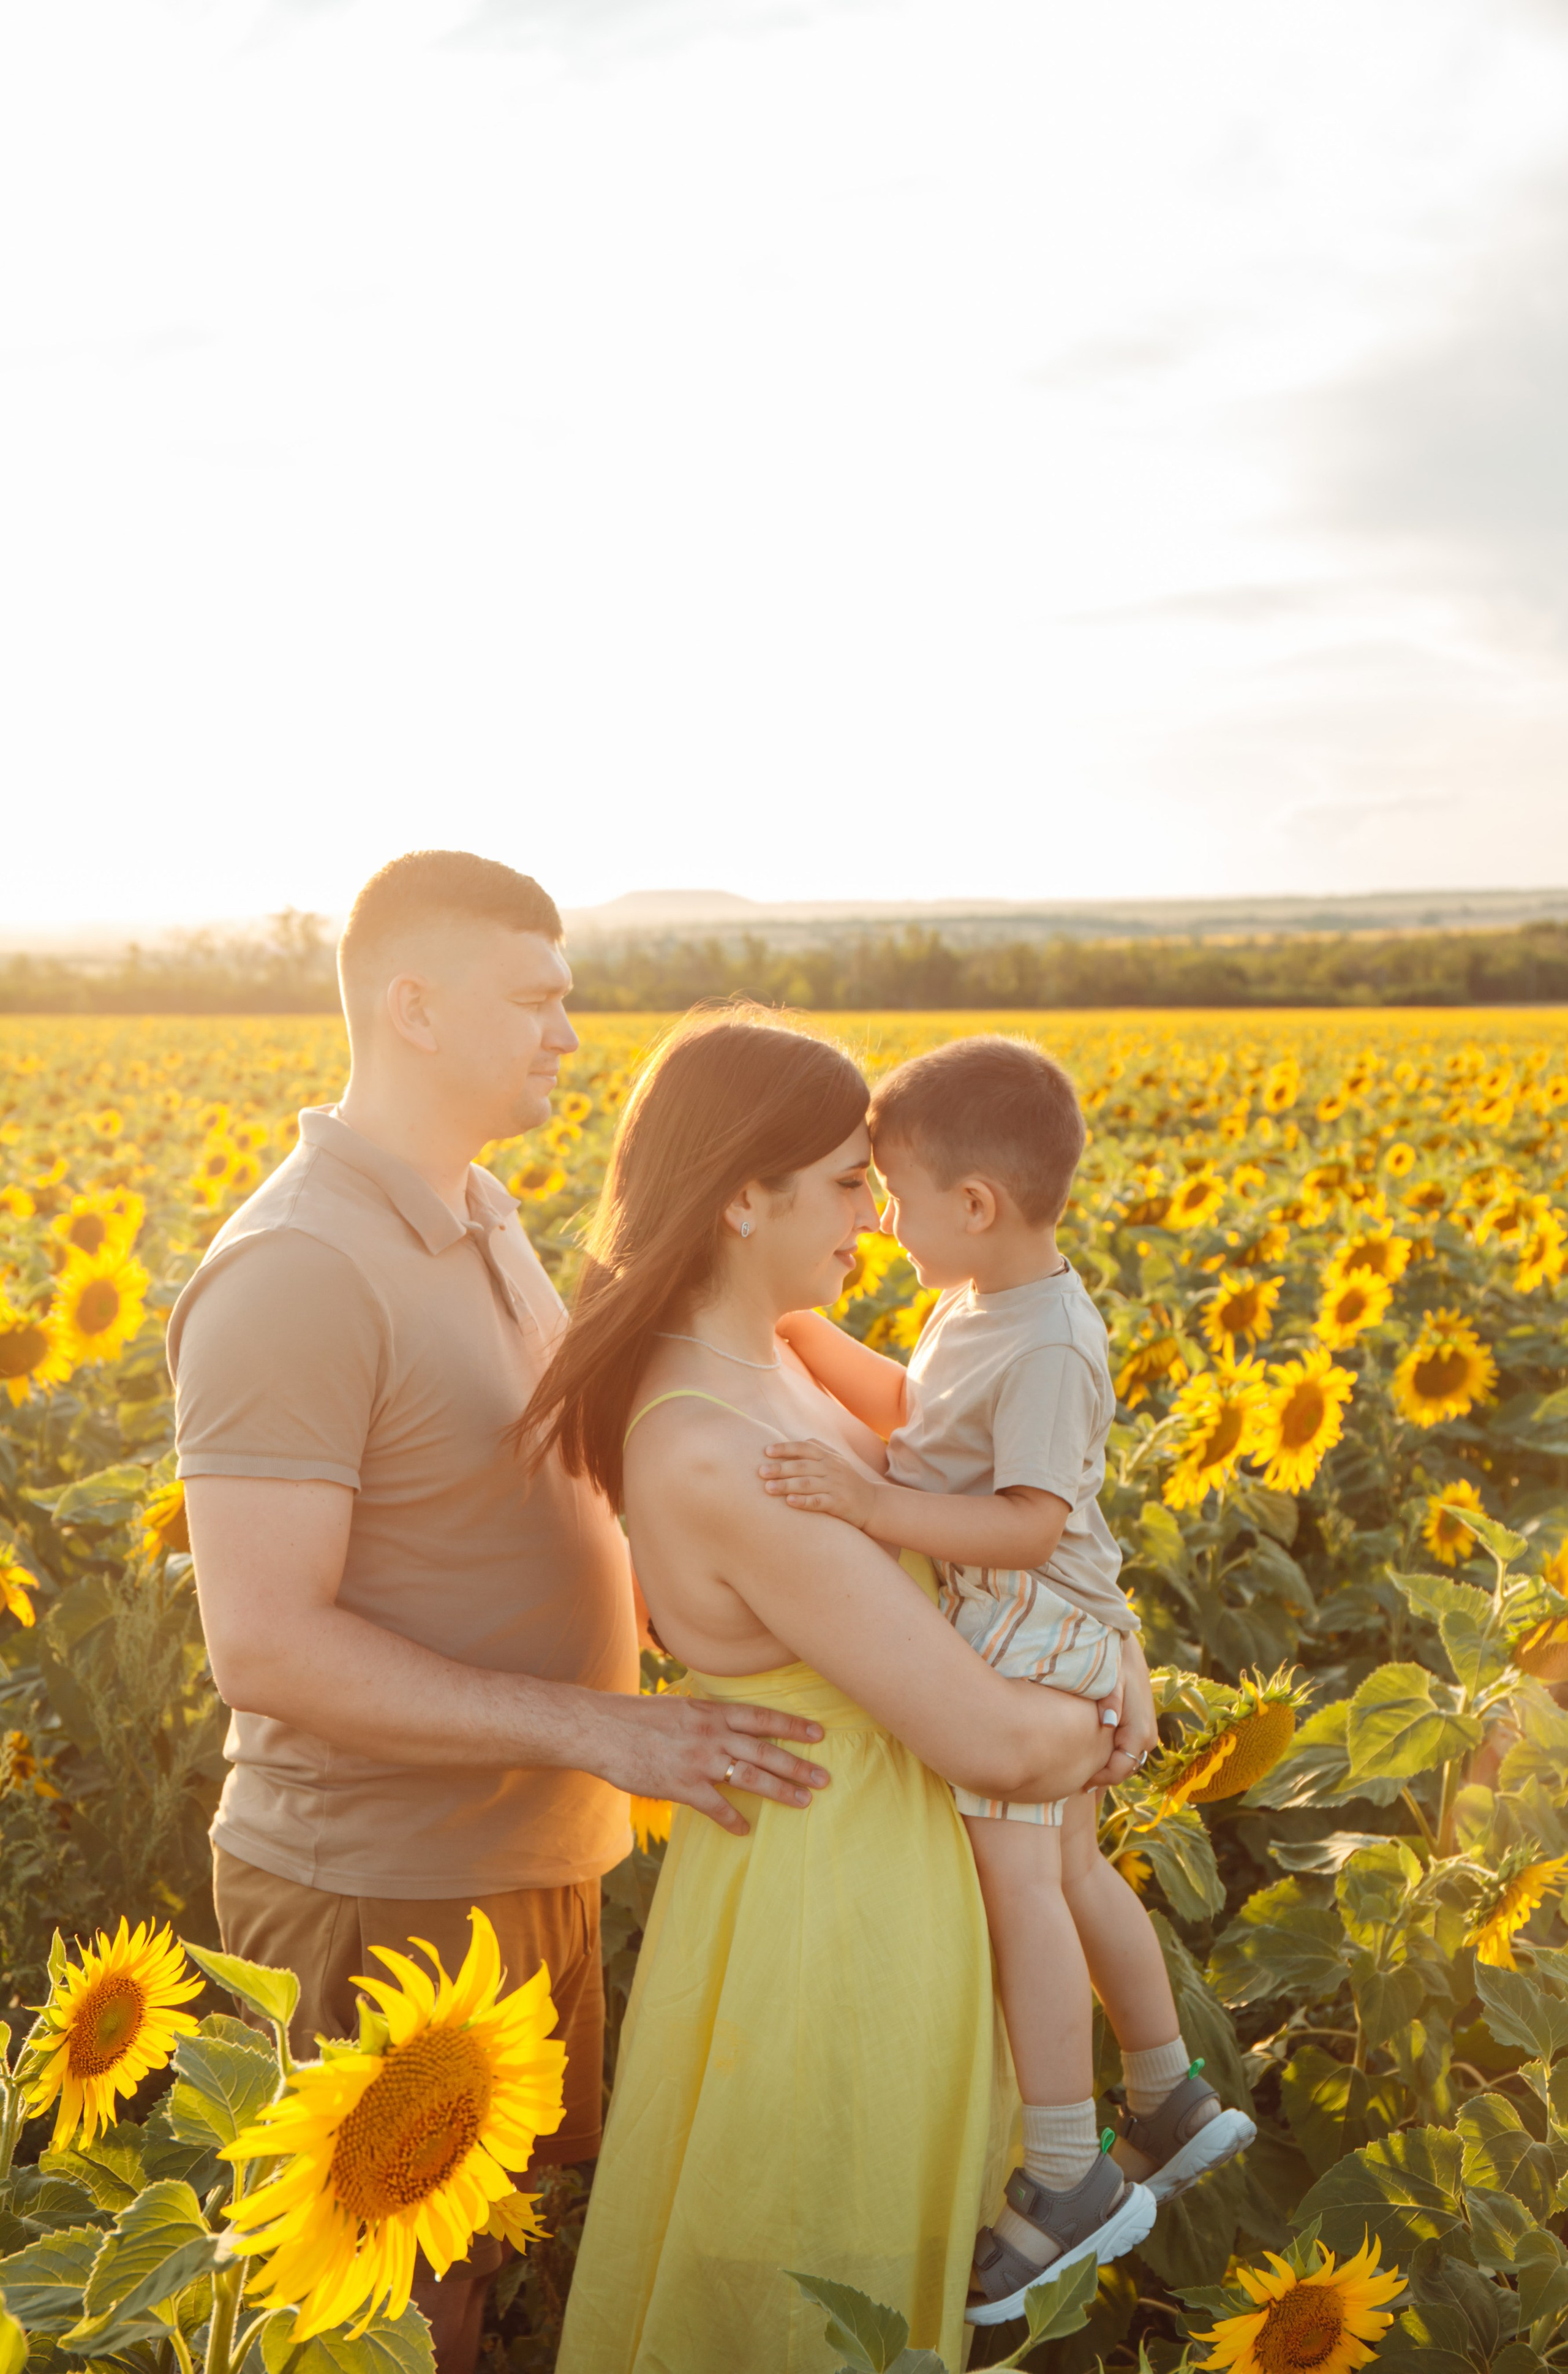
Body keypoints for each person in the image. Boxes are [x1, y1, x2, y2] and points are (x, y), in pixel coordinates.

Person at [169, 853, 832, 2373]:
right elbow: (263, 1642)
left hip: (529, 1845)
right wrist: (602, 1727)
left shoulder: (476, 1210)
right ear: (412, 1007)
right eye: (535, 1000)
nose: (567, 1037)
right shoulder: (295, 1269)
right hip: (385, 1874)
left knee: (475, 2272)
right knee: (377, 2319)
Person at [527, 1009, 1158, 2373]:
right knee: (825, 2294)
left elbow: (1007, 1515)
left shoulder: (783, 1358)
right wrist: (1107, 1708)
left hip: (886, 1876)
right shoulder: (715, 1446)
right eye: (842, 1184)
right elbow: (984, 1731)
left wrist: (1113, 1642)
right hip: (834, 1911)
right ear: (740, 1194)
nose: (873, 1220)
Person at [759, 1036, 1256, 2325]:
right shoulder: (977, 1307)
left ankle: (1063, 2173)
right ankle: (1167, 2094)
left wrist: (866, 1508)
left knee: (1021, 1888)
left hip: (1033, 1623)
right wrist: (796, 1330)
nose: (877, 1218)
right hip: (1055, 1625)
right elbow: (921, 1431)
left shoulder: (1042, 1344)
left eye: (892, 1195)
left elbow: (1026, 1521)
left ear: (972, 1207)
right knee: (1076, 1875)